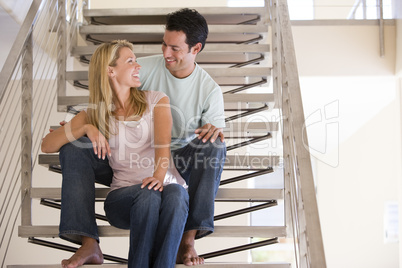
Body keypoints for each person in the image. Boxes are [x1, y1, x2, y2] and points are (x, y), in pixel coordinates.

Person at [41, 40, 189, 268]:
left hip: (166, 190)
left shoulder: (157, 100)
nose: (138, 66)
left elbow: (163, 146)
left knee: (176, 194)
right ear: (110, 70)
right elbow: (47, 145)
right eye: (130, 61)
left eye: (136, 60)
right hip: (123, 198)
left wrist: (159, 178)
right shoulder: (96, 114)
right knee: (147, 195)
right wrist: (85, 128)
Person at [136, 8, 226, 266]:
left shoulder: (209, 90)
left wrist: (212, 132)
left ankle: (188, 239)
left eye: (175, 48)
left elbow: (215, 133)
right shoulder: (146, 68)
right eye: (164, 44)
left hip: (183, 161)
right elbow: (113, 98)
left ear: (195, 49)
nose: (166, 53)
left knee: (214, 145)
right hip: (144, 153)